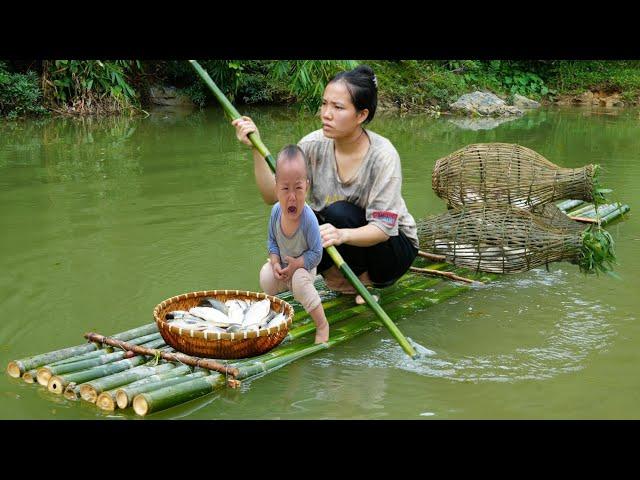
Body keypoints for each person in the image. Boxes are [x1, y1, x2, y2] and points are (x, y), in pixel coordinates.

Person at [233, 64, 418, 304]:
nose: (326, 114)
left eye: (338, 107)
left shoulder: (383, 155)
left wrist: (341, 234)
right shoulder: (311, 145)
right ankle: (333, 277)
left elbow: (383, 229)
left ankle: (361, 281)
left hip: (390, 252)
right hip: (341, 239)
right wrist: (256, 150)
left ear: (361, 115)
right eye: (324, 104)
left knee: (339, 213)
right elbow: (272, 196)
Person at [259, 144, 329, 344]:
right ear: (276, 187)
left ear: (306, 186)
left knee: (299, 281)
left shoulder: (308, 219)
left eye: (298, 188)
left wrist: (298, 264)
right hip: (282, 268)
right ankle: (276, 316)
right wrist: (274, 262)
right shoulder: (275, 212)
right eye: (285, 188)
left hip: (304, 269)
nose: (292, 196)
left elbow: (317, 253)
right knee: (265, 275)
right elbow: (272, 241)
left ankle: (322, 324)